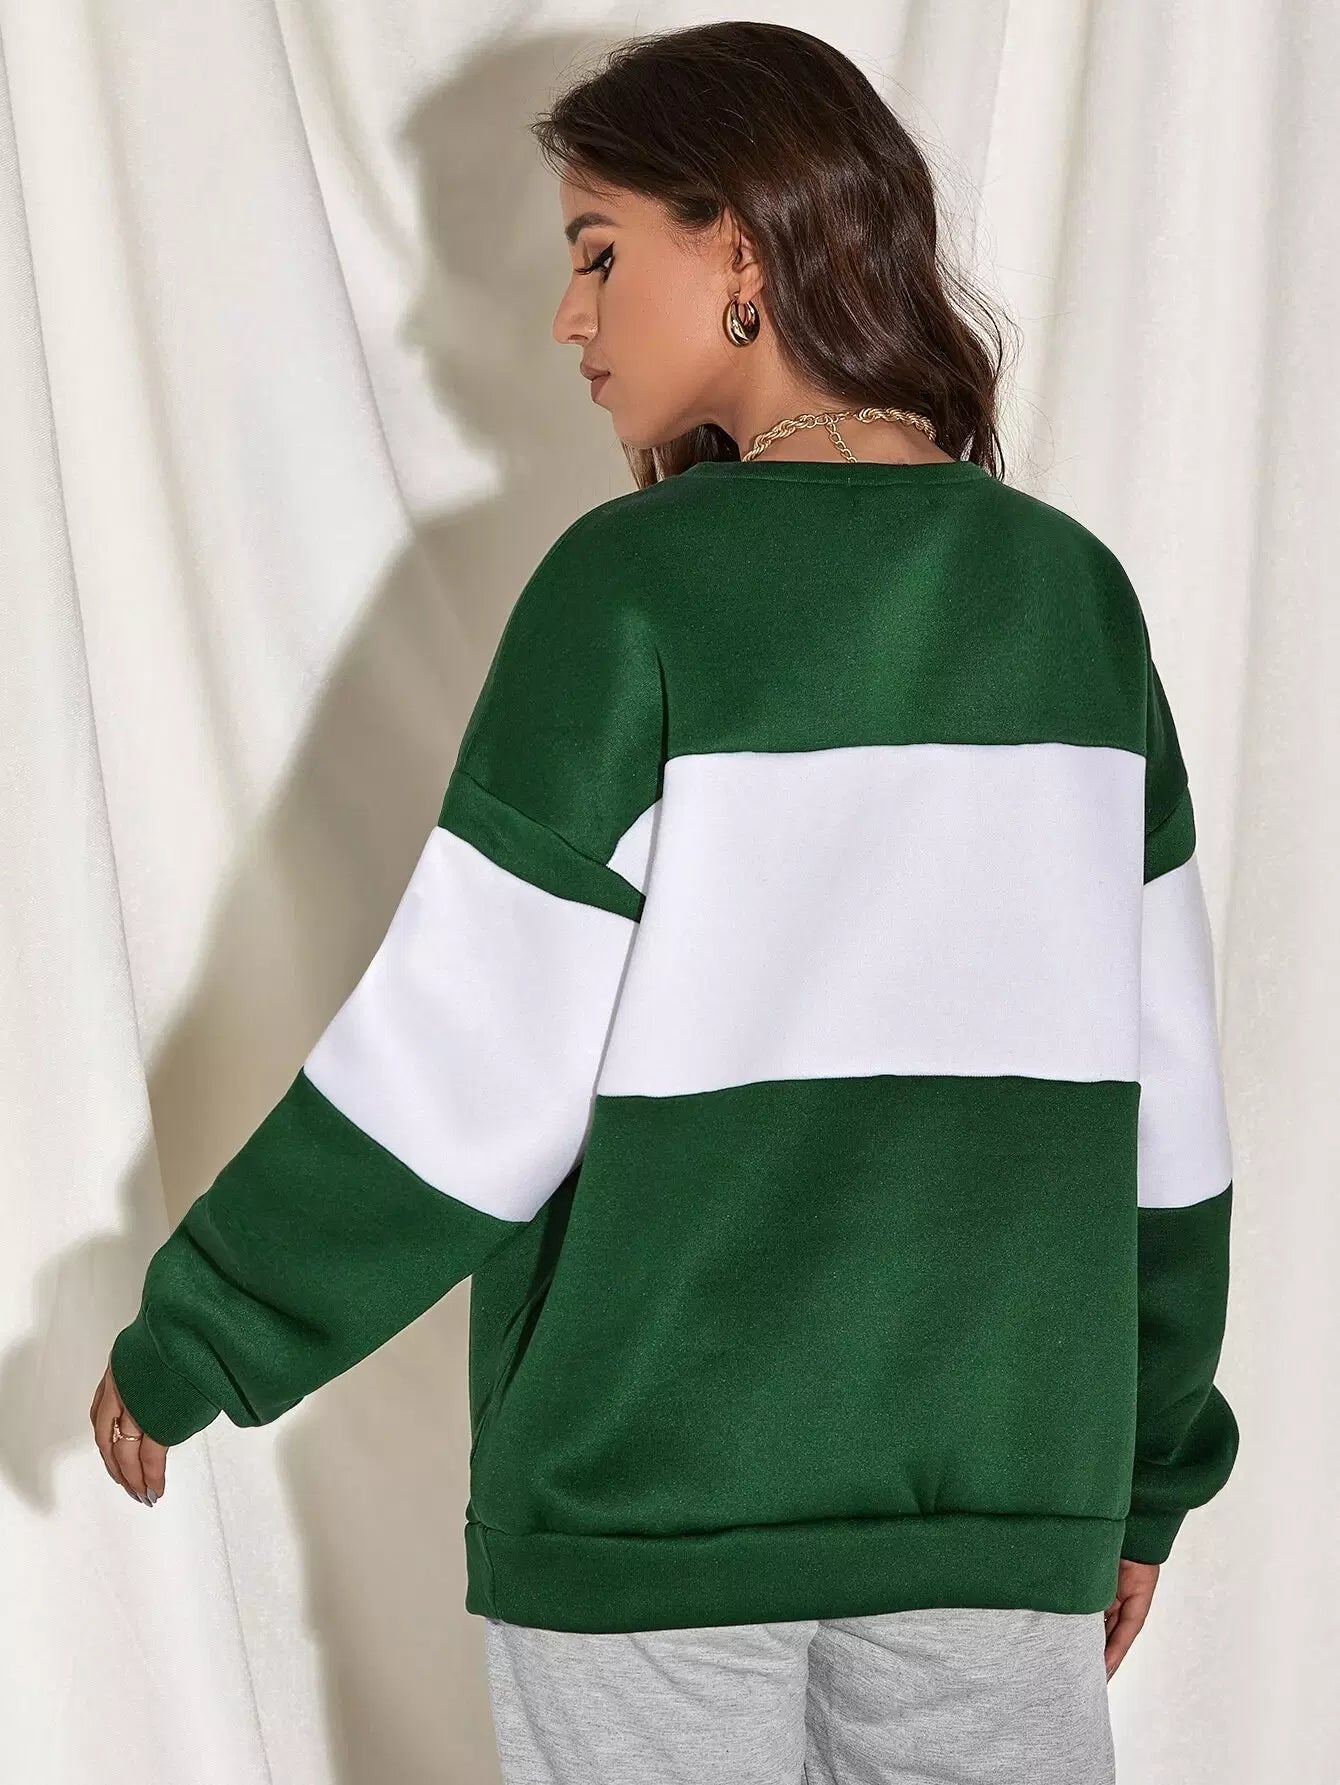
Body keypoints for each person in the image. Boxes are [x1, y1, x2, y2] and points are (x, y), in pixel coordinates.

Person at [90, 20, 1238, 1784]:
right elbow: (1171, 1122)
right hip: (1001, 1513)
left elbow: (468, 1059)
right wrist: (1147, 1470)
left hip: (645, 1504)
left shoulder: (631, 594)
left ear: (745, 250)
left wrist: (211, 1330)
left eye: (598, 252)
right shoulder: (1073, 603)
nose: (569, 318)